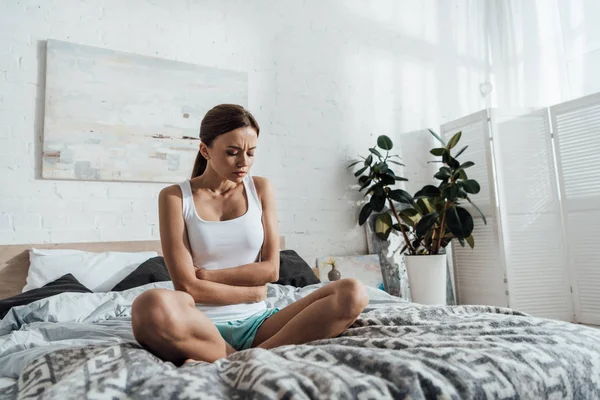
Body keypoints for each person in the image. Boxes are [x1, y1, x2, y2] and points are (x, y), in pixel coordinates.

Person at [131, 104, 369, 365]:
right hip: (198, 326)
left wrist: (210, 276)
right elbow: (187, 287)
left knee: (353, 291)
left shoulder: (260, 188)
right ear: (205, 150)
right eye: (232, 152)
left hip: (260, 324)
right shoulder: (175, 197)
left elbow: (271, 271)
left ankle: (249, 358)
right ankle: (245, 359)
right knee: (148, 305)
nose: (244, 162)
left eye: (251, 152)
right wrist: (251, 293)